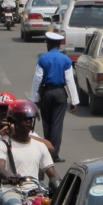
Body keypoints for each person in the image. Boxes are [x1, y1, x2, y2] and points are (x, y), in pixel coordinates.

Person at [0, 100, 61, 205]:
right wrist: (9, 176)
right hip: (11, 191)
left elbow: (52, 174)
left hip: (35, 192)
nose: (28, 121)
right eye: (24, 118)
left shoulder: (40, 146)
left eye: (30, 118)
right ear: (13, 121)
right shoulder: (3, 144)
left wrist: (62, 188)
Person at [29, 32, 78, 163]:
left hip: (46, 93)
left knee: (47, 123)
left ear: (49, 44)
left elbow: (37, 79)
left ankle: (47, 152)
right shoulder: (66, 60)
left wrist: (34, 99)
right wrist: (74, 100)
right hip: (60, 94)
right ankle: (54, 154)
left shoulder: (43, 59)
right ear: (59, 45)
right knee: (57, 124)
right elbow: (70, 80)